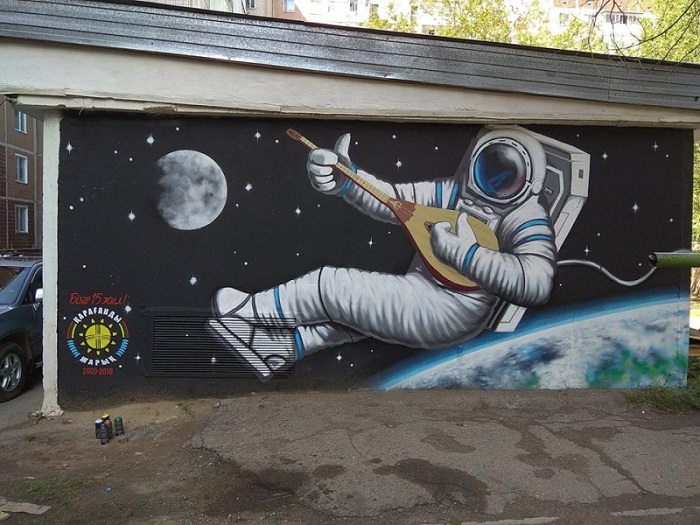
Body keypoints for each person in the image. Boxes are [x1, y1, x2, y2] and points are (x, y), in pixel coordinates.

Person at [207, 126, 557, 381]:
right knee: (350, 317)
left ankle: (249, 312)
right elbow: (392, 199)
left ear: (530, 184)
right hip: (422, 291)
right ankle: (280, 348)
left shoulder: (525, 216)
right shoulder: (453, 192)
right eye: (490, 167)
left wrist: (464, 255)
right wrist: (347, 179)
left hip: (455, 310)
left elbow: (537, 282)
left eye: (506, 175)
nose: (494, 180)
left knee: (331, 287)